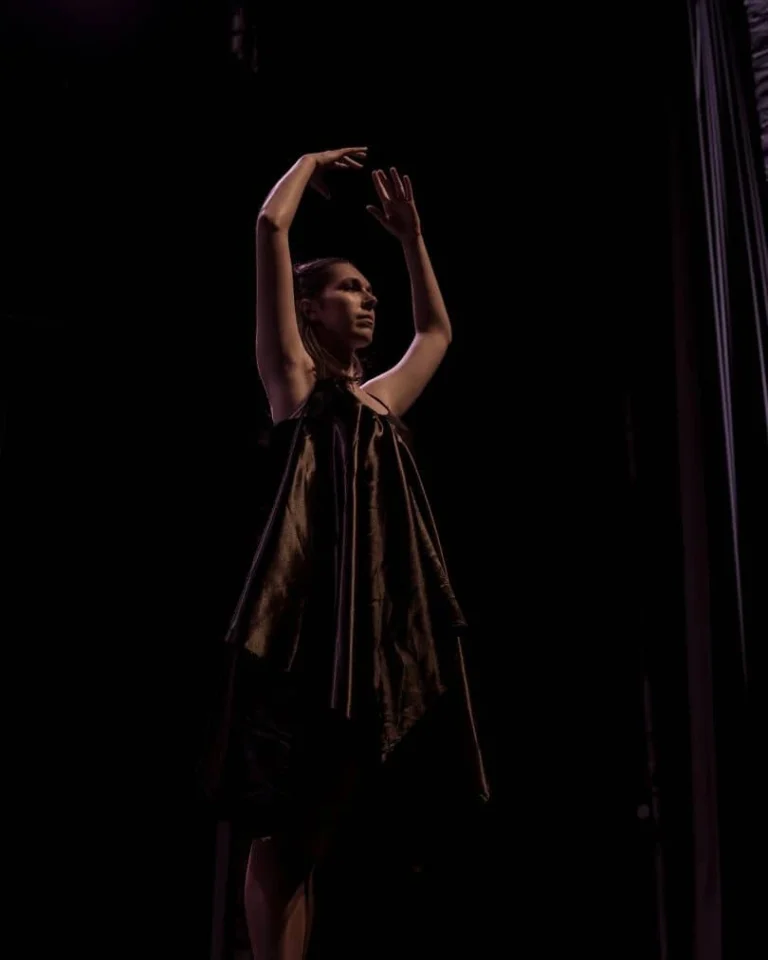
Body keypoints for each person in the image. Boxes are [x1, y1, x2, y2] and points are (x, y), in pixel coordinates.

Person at [204, 147, 489, 959]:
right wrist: (305, 161)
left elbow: (436, 330)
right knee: (278, 831)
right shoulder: (293, 381)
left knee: (310, 840)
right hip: (302, 628)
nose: (367, 302)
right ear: (309, 306)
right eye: (348, 289)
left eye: (368, 290)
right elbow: (269, 224)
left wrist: (413, 238)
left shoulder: (378, 403)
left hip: (361, 636)